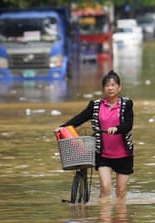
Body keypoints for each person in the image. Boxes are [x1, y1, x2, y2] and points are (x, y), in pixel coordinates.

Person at [57, 70, 134, 202]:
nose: (110, 88)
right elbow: (80, 118)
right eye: (107, 85)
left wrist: (116, 129)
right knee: (105, 187)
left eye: (113, 85)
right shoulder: (96, 105)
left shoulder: (127, 104)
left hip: (124, 155)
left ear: (119, 87)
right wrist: (63, 127)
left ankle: (121, 220)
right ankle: (105, 220)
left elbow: (128, 125)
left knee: (121, 191)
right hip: (103, 155)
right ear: (103, 88)